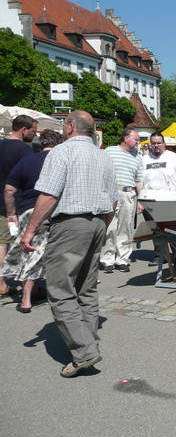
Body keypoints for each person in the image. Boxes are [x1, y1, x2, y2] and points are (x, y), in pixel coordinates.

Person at [20, 111, 117, 378]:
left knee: (61, 290)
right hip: (97, 221)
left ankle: (84, 352)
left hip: (71, 223)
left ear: (71, 126)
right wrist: (100, 227)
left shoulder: (61, 152)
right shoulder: (103, 156)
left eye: (64, 124)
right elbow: (114, 201)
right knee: (86, 288)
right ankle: (89, 344)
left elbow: (49, 195)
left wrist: (30, 231)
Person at [1, 129, 62, 312]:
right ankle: (27, 299)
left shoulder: (26, 161)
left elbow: (9, 190)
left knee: (28, 250)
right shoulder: (59, 161)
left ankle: (32, 290)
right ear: (58, 144)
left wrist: (12, 213)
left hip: (26, 210)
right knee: (38, 252)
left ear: (40, 144)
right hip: (51, 211)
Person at [0, 114, 37, 297]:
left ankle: (3, 282)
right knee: (18, 243)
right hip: (17, 204)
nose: (35, 134)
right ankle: (4, 284)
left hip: (1, 201)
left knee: (2, 243)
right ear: (24, 129)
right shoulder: (24, 150)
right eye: (33, 130)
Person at [99, 128, 144, 274]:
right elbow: (101, 172)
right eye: (136, 139)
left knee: (126, 228)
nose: (138, 142)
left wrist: (141, 200)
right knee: (110, 228)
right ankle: (107, 259)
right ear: (126, 138)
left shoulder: (138, 156)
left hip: (129, 193)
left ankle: (122, 259)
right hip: (112, 192)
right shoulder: (110, 151)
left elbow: (138, 180)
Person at [141, 132, 176, 265]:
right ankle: (159, 255)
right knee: (155, 229)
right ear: (150, 144)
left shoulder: (173, 157)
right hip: (150, 201)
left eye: (159, 143)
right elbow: (139, 181)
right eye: (154, 143)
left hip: (170, 200)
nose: (156, 146)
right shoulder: (144, 159)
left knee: (173, 230)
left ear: (164, 144)